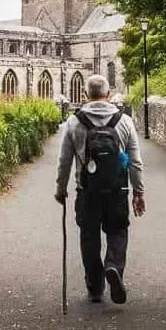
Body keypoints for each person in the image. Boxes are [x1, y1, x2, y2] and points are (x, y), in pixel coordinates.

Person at [55, 74, 145, 304]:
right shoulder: (123, 121)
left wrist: (60, 188)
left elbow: (64, 160)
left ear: (86, 95)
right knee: (118, 231)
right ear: (107, 94)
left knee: (89, 237)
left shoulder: (74, 122)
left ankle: (95, 286)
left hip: (87, 191)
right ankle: (113, 266)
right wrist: (138, 192)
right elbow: (135, 161)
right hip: (117, 191)